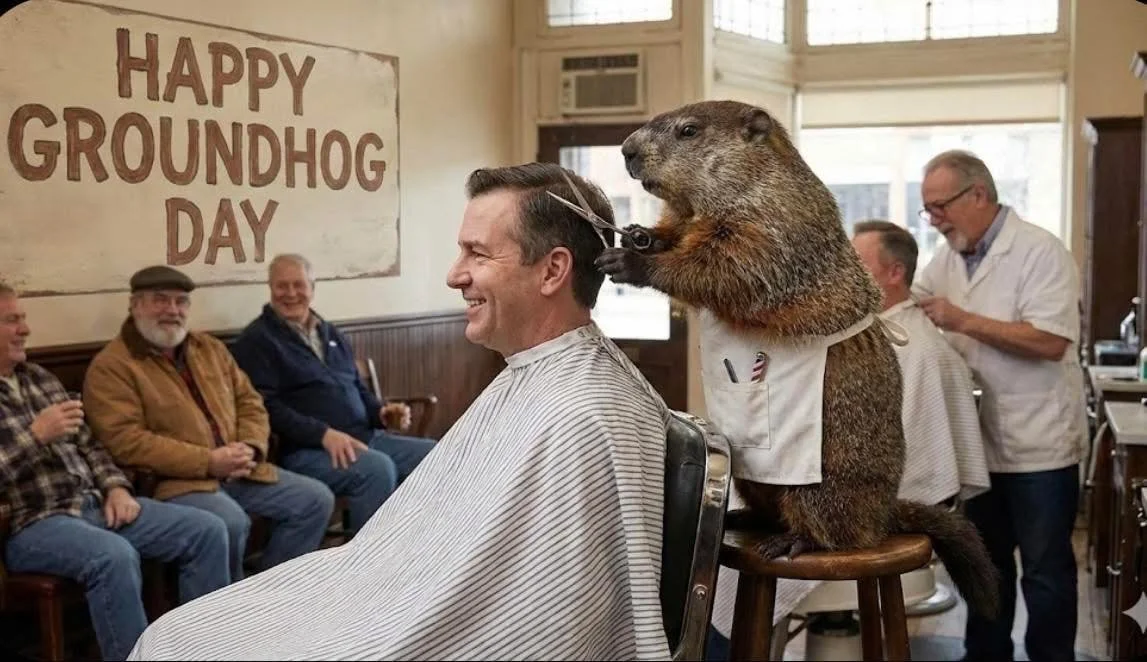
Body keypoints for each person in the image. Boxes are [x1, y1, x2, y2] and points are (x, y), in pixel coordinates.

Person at [126, 163, 672, 661]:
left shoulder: (584, 413)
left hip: (415, 622)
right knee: (177, 634)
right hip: (381, 578)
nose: (454, 275)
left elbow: (543, 620)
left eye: (477, 254)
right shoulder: (535, 377)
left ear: (552, 271)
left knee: (178, 643)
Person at [912, 149, 1087, 662]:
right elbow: (907, 307)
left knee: (1045, 571)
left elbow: (1050, 341)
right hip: (976, 445)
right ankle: (984, 656)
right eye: (928, 211)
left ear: (979, 195)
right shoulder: (946, 258)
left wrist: (961, 319)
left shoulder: (1040, 251)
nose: (934, 220)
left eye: (940, 207)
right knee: (984, 566)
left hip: (1040, 447)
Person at [0, 283, 230, 661]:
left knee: (207, 530)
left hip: (95, 505)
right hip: (34, 524)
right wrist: (35, 436)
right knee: (114, 556)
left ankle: (203, 651)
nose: (25, 329)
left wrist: (116, 488)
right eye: (12, 321)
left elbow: (91, 446)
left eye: (23, 319)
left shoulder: (39, 379)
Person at [83, 266, 336, 582]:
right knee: (229, 521)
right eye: (160, 300)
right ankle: (214, 622)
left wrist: (251, 447)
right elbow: (125, 440)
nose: (172, 310)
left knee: (314, 500)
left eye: (181, 302)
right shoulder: (112, 366)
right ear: (135, 306)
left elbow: (251, 402)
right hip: (173, 482)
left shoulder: (210, 349)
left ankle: (268, 594)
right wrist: (208, 462)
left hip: (240, 469)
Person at [229, 253, 434, 535]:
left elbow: (357, 388)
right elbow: (266, 407)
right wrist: (323, 434)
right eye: (282, 286)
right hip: (308, 450)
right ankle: (364, 567)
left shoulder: (329, 332)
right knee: (376, 470)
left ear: (313, 288)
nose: (290, 294)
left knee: (437, 456)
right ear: (270, 288)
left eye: (299, 285)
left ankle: (417, 549)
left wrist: (380, 412)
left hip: (365, 437)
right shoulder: (257, 340)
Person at [851, 219, 989, 505]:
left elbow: (915, 458)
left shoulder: (916, 348)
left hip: (901, 506)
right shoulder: (876, 331)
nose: (847, 275)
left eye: (858, 265)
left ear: (895, 273)